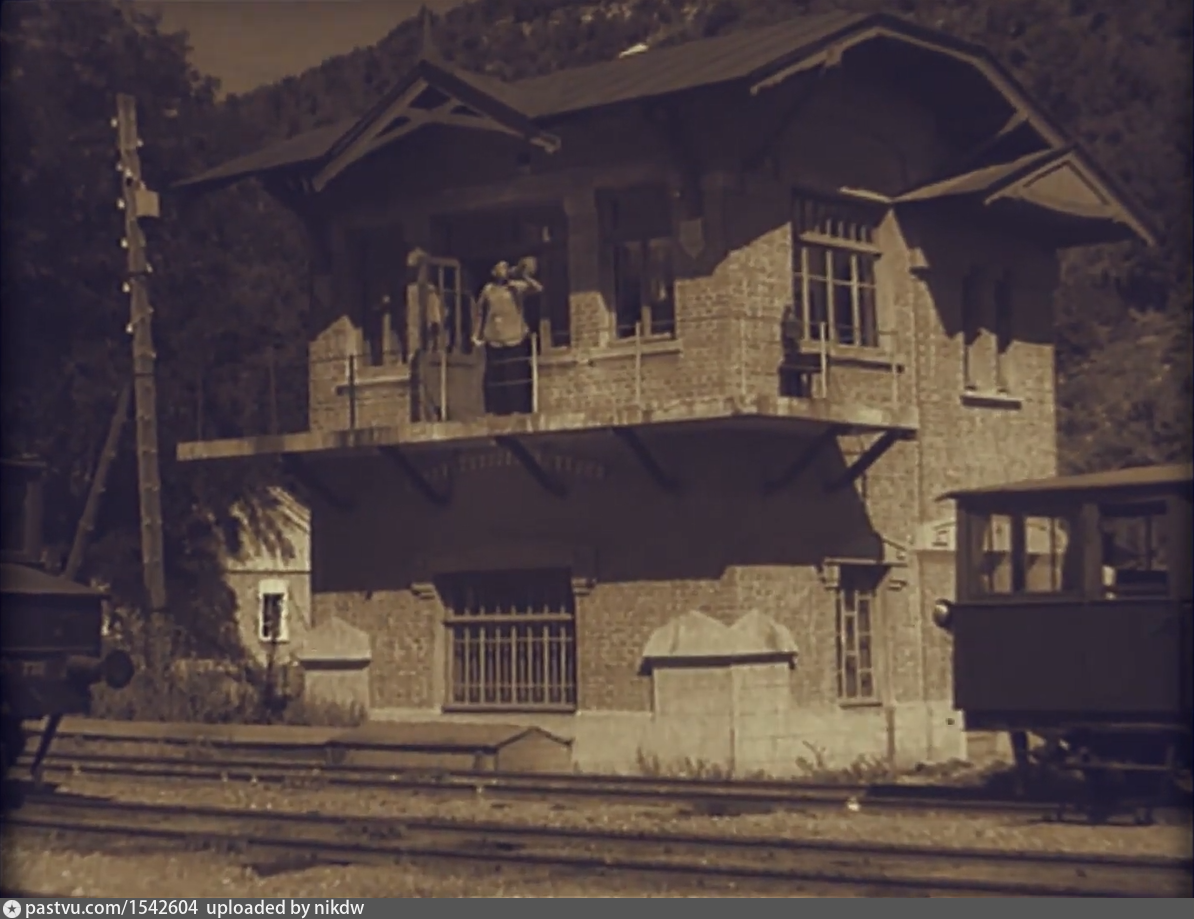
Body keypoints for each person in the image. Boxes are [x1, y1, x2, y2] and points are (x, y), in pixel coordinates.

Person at [474, 258, 542, 415]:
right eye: (500, 267)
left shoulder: (515, 287)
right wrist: (477, 334)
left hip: (514, 337)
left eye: (505, 267)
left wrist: (523, 275)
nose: (503, 269)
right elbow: (480, 312)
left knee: (515, 374)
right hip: (494, 338)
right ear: (493, 271)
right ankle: (495, 409)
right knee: (495, 375)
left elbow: (537, 289)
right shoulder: (488, 290)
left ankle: (517, 408)